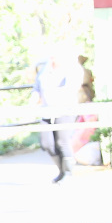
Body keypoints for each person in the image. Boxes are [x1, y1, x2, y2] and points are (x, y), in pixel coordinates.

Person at [30, 46, 83, 183]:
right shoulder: (45, 68)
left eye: (55, 55)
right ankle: (61, 170)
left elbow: (71, 88)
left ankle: (68, 173)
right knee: (47, 143)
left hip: (64, 110)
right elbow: (37, 86)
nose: (52, 58)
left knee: (62, 141)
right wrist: (34, 98)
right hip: (46, 110)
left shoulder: (72, 69)